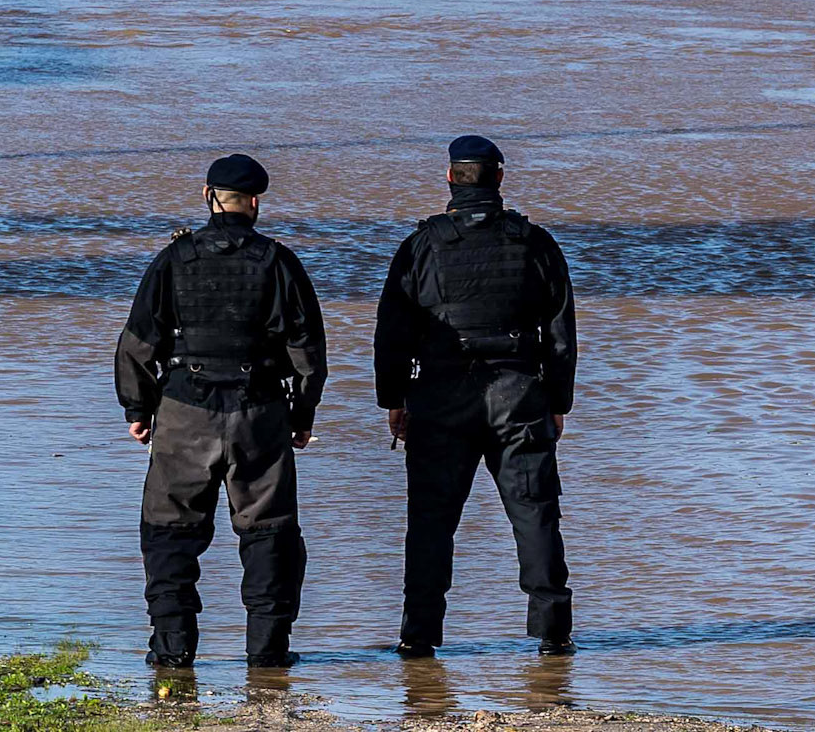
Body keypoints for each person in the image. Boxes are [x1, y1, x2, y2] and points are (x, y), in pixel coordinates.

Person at [114, 153, 326, 670]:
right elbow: (309, 354)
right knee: (269, 531)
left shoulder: (173, 259)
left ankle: (171, 653)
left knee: (169, 532)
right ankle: (268, 655)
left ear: (209, 197)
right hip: (260, 409)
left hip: (185, 407)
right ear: (255, 202)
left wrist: (136, 409)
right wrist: (302, 416)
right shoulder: (278, 261)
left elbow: (136, 345)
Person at [374, 135, 577, 659]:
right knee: (535, 514)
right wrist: (558, 401)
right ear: (500, 179)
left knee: (431, 520)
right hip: (519, 392)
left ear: (449, 178)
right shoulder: (535, 242)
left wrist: (393, 398)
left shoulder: (421, 244)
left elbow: (392, 328)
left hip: (440, 395)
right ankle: (554, 635)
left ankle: (418, 637)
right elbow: (560, 330)